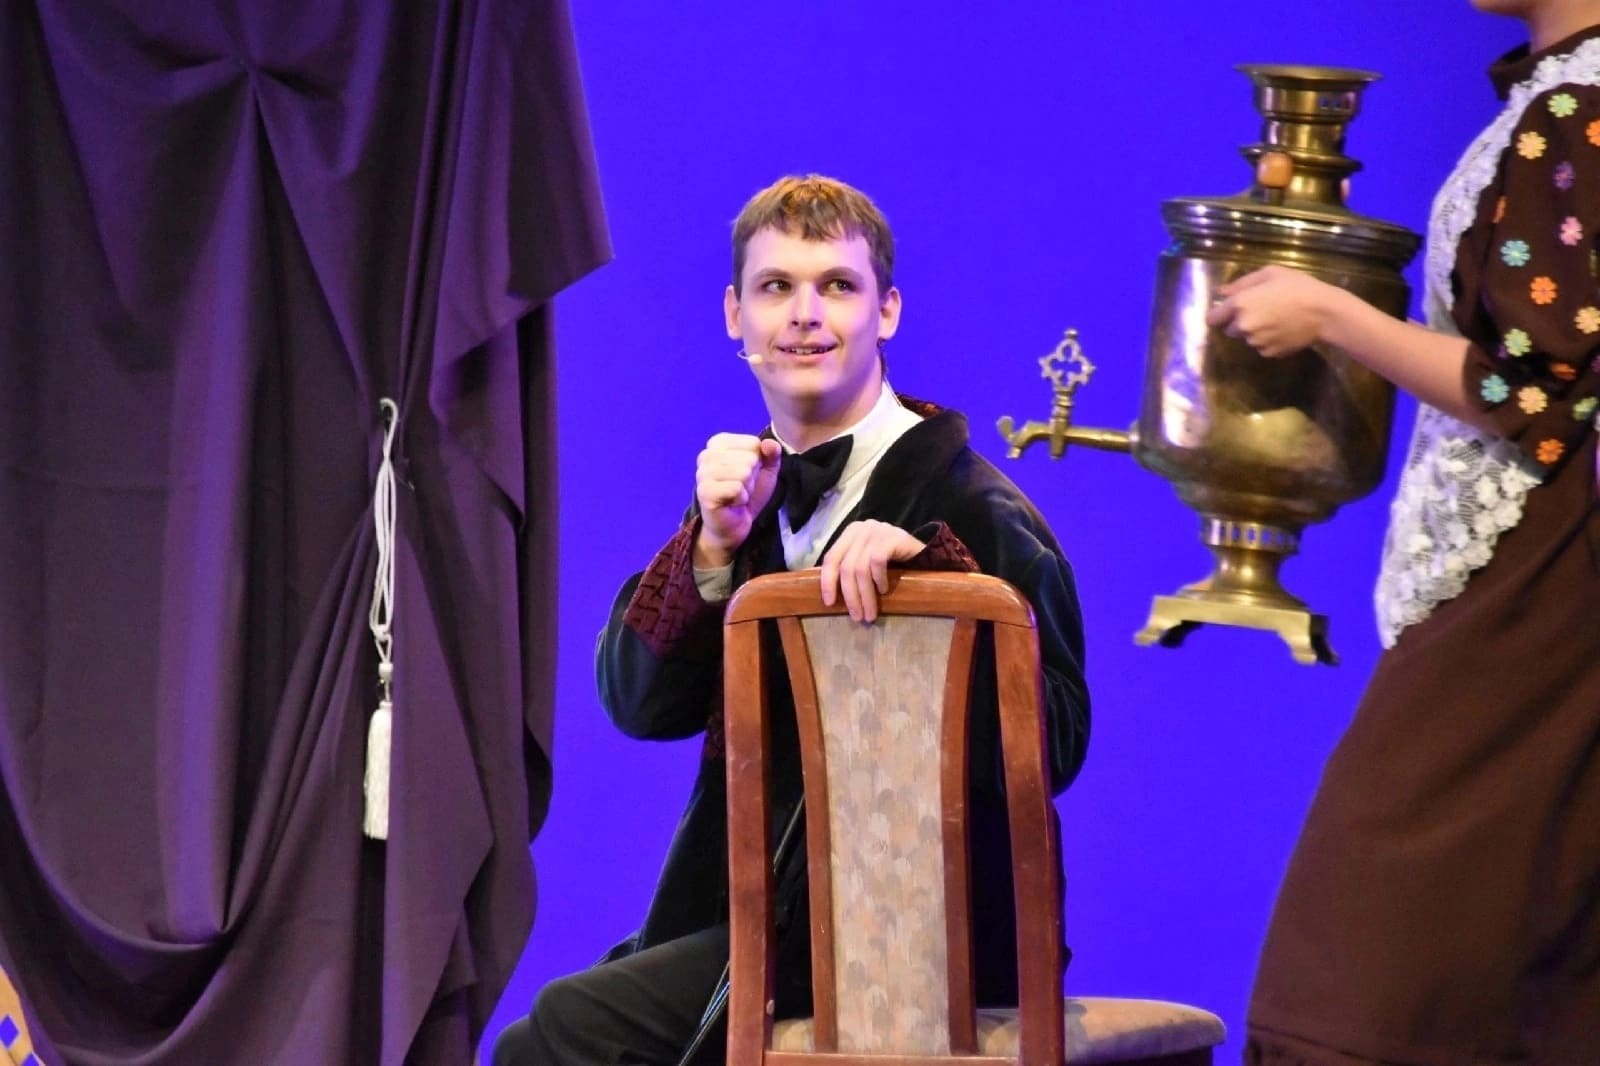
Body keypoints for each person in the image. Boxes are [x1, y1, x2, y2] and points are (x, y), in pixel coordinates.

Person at [492, 174, 1090, 1065]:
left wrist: (935, 591)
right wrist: (710, 548)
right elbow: (636, 705)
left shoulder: (975, 507)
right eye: (777, 287)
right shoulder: (749, 499)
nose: (805, 315)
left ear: (887, 312)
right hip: (756, 920)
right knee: (554, 1031)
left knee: (562, 1035)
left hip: (929, 937)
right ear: (735, 315)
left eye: (837, 286)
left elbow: (1059, 744)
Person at [1207, 4, 1600, 1062]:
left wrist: (1334, 316)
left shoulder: (1577, 106)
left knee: (1363, 980)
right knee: (1506, 968)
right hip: (1527, 575)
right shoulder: (1556, 97)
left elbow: (1532, 389)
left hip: (1532, 582)